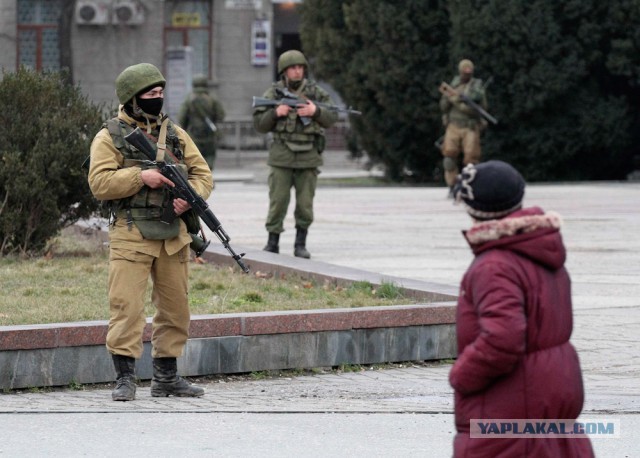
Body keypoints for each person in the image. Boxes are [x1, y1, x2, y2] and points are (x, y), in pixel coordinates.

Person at [449, 160, 594, 457]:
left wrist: (461, 376)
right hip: (549, 395)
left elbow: (503, 337)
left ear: (473, 208)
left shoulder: (494, 265)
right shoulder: (539, 247)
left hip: (510, 404)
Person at [88, 63, 214, 401]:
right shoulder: (110, 135)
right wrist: (140, 177)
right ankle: (125, 379)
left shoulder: (174, 134)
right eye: (150, 95)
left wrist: (190, 201)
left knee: (176, 308)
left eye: (160, 93)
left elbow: (203, 174)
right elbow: (99, 183)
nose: (157, 99)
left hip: (172, 234)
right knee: (127, 308)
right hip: (132, 234)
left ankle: (166, 378)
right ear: (132, 99)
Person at [253, 50, 338, 258]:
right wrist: (275, 113)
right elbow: (259, 124)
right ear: (284, 71)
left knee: (305, 204)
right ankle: (273, 242)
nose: (297, 71)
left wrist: (315, 112)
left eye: (300, 67)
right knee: (278, 201)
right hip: (281, 155)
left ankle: (301, 243)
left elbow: (332, 116)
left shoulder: (315, 92)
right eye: (293, 68)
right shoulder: (274, 93)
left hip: (308, 155)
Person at [439, 59, 488, 197]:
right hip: (453, 125)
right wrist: (449, 99)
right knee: (449, 158)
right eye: (464, 73)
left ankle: (469, 186)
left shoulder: (476, 88)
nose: (466, 76)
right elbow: (443, 107)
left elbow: (480, 109)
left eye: (469, 73)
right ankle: (452, 186)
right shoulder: (453, 86)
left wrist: (460, 104)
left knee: (471, 161)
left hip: (470, 127)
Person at [178, 74, 225, 170]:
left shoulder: (189, 99)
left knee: (194, 160)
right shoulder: (212, 99)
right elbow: (221, 115)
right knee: (209, 158)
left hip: (194, 136)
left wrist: (185, 129)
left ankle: (199, 181)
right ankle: (208, 178)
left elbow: (181, 117)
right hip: (209, 135)